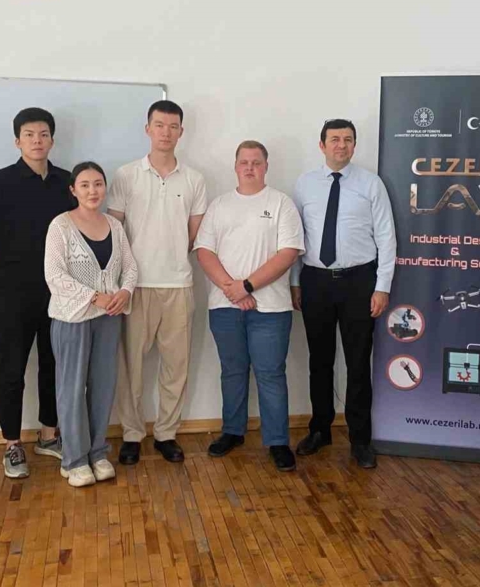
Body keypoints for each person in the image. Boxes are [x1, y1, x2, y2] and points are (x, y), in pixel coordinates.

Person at [0, 108, 75, 479]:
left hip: (59, 294)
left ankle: (49, 435)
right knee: (12, 370)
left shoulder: (67, 182)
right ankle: (12, 445)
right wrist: (1, 272)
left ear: (52, 140)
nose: (37, 141)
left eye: (43, 134)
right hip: (12, 296)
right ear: (17, 141)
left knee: (53, 365)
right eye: (29, 135)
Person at [290, 119, 396, 469]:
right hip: (316, 281)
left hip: (358, 282)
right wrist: (295, 282)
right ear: (322, 145)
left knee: (358, 362)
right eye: (334, 139)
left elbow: (386, 237)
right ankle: (320, 430)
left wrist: (382, 286)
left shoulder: (371, 184)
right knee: (319, 361)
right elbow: (295, 238)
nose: (341, 145)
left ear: (354, 146)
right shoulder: (304, 184)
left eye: (348, 139)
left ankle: (360, 439)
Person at [107, 100, 207, 466]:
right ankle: (131, 434)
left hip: (178, 285)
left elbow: (194, 234)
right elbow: (114, 230)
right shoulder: (125, 175)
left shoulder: (194, 179)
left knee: (175, 366)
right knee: (131, 367)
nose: (166, 132)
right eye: (159, 125)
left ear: (181, 131)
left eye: (173, 126)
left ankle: (167, 433)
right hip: (135, 286)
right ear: (147, 129)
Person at [194, 141, 304, 472]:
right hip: (224, 305)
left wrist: (247, 286)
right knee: (232, 370)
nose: (250, 167)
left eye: (256, 162)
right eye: (244, 162)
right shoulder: (219, 206)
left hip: (271, 309)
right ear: (235, 166)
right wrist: (233, 289)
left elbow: (288, 254)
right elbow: (204, 251)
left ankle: (278, 441)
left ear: (266, 166)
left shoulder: (281, 203)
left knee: (270, 373)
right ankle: (233, 431)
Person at [44, 162, 137, 487]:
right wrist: (95, 297)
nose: (92, 190)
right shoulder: (61, 226)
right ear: (73, 190)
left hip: (109, 319)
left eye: (98, 184)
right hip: (72, 318)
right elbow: (54, 274)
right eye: (84, 185)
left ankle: (98, 453)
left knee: (103, 386)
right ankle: (74, 459)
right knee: (71, 388)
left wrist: (124, 292)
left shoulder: (114, 225)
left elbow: (130, 267)